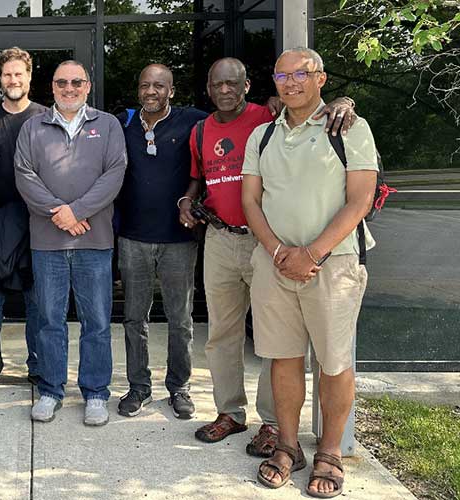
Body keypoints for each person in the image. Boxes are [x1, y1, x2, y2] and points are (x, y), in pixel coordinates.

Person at [182, 57, 358, 457]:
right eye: (217, 84)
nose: (224, 90)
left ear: (247, 86)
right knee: (221, 333)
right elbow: (199, 178)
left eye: (232, 83)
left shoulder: (271, 116)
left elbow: (313, 109)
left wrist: (345, 101)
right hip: (221, 239)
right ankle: (229, 412)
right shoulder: (200, 130)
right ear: (208, 89)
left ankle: (272, 422)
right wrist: (186, 200)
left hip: (267, 242)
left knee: (272, 340)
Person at [242, 47, 377, 498]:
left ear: (320, 79)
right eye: (282, 75)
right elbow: (250, 201)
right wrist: (279, 251)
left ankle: (331, 452)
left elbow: (360, 200)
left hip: (334, 264)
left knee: (334, 362)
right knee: (283, 359)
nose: (291, 82)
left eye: (301, 73)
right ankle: (287, 446)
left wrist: (312, 253)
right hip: (275, 264)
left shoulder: (350, 129)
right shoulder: (262, 135)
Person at [16, 60, 127, 427]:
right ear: (52, 86)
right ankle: (51, 390)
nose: (69, 88)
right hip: (47, 243)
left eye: (76, 82)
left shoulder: (107, 125)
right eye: (62, 82)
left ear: (87, 86)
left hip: (94, 240)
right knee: (50, 320)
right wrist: (60, 214)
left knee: (97, 321)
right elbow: (24, 176)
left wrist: (76, 211)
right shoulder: (33, 127)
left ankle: (95, 393)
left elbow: (114, 174)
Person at [114, 64, 207, 420]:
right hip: (133, 237)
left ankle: (179, 387)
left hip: (178, 239)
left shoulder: (192, 121)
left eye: (159, 85)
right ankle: (138, 387)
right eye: (145, 85)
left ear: (171, 90)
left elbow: (236, 119)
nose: (151, 91)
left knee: (180, 319)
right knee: (134, 318)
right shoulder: (122, 123)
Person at [0, 47, 49, 385]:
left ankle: (39, 366)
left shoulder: (45, 117)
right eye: (7, 74)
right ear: (0, 78)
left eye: (19, 74)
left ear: (29, 76)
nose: (13, 80)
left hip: (38, 221)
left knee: (38, 299)